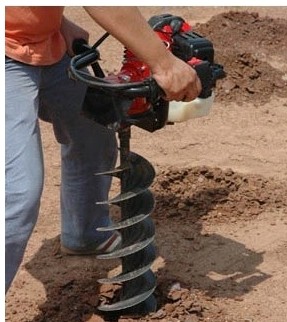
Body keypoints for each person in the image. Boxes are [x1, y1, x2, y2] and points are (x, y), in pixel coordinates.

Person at [5, 6, 202, 293]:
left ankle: (86, 234)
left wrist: (56, 21)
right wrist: (163, 62)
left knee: (94, 127)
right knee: (16, 193)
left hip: (40, 43)